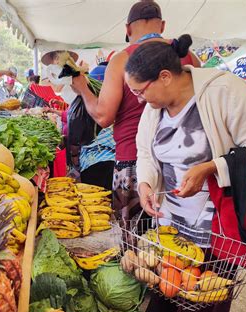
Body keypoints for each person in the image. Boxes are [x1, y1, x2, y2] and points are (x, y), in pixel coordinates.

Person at [125, 36, 246, 312]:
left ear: (165, 77)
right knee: (162, 310)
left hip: (217, 232)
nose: (139, 100)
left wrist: (211, 167)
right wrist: (145, 185)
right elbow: (145, 152)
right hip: (172, 231)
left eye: (141, 91)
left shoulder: (223, 91)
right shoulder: (155, 109)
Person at [71, 0, 201, 228]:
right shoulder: (189, 57)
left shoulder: (122, 59)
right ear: (162, 25)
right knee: (180, 239)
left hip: (133, 161)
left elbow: (103, 116)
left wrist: (82, 88)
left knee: (134, 240)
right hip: (181, 161)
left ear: (128, 29)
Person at [78, 63, 115, 189]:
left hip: (90, 162)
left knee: (94, 204)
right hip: (114, 161)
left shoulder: (87, 102)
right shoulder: (117, 102)